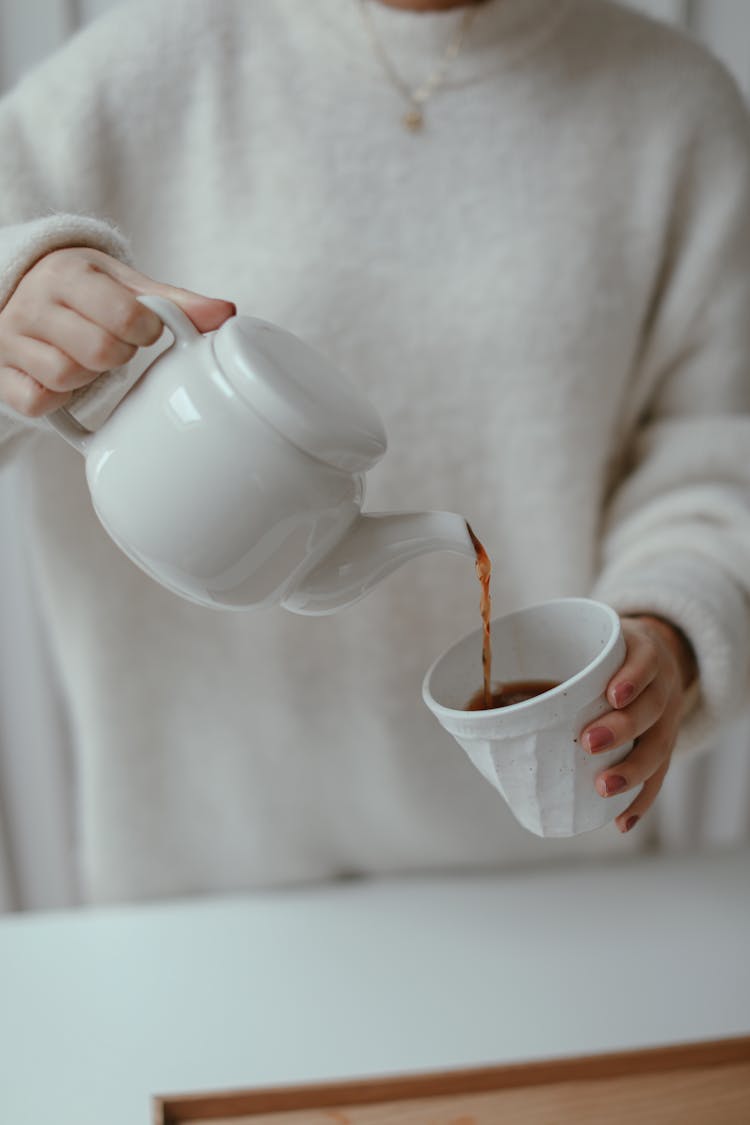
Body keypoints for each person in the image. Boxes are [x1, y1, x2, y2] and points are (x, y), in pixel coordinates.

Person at [0, 0, 748, 903]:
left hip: (552, 888)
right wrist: (17, 302)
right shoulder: (138, 71)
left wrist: (670, 634)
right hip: (199, 896)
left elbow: (716, 455)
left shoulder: (674, 108)